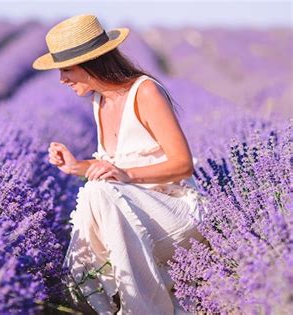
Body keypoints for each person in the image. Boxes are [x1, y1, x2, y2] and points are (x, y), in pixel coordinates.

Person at [32, 14, 205, 315]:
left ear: (91, 63)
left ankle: (135, 306)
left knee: (98, 192)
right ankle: (108, 299)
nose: (62, 79)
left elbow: (182, 165)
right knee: (97, 188)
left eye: (67, 70)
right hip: (132, 216)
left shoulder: (145, 92)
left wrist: (125, 175)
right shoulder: (101, 102)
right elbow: (113, 168)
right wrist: (77, 167)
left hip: (174, 213)